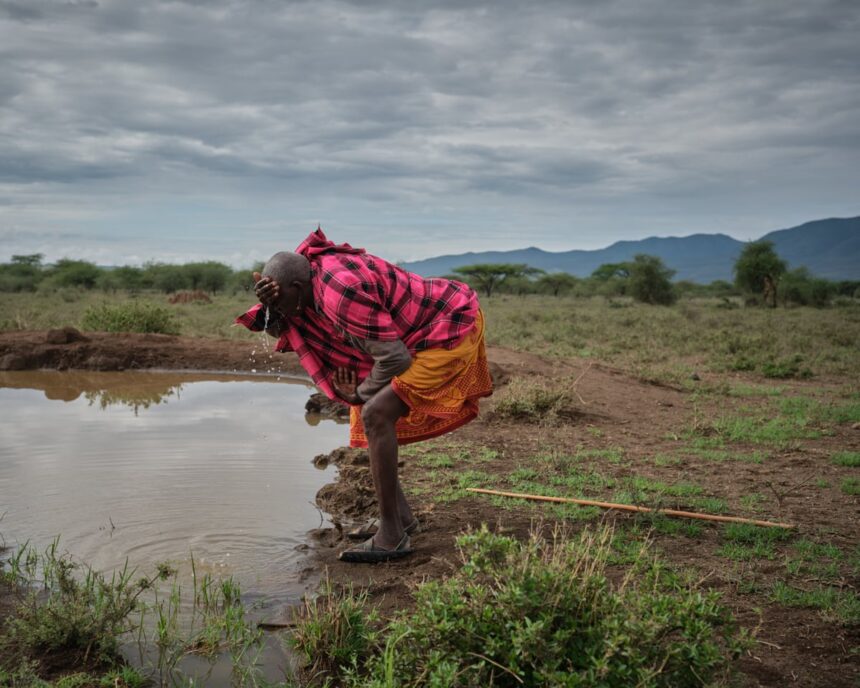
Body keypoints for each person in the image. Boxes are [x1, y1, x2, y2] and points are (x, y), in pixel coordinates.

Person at [236, 228, 493, 563]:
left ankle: (391, 536)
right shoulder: (311, 279)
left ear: (297, 288)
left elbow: (395, 359)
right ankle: (401, 519)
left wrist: (360, 392)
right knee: (364, 413)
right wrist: (270, 303)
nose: (285, 313)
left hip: (448, 325)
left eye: (282, 302)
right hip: (415, 334)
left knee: (374, 412)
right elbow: (279, 323)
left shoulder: (340, 293)